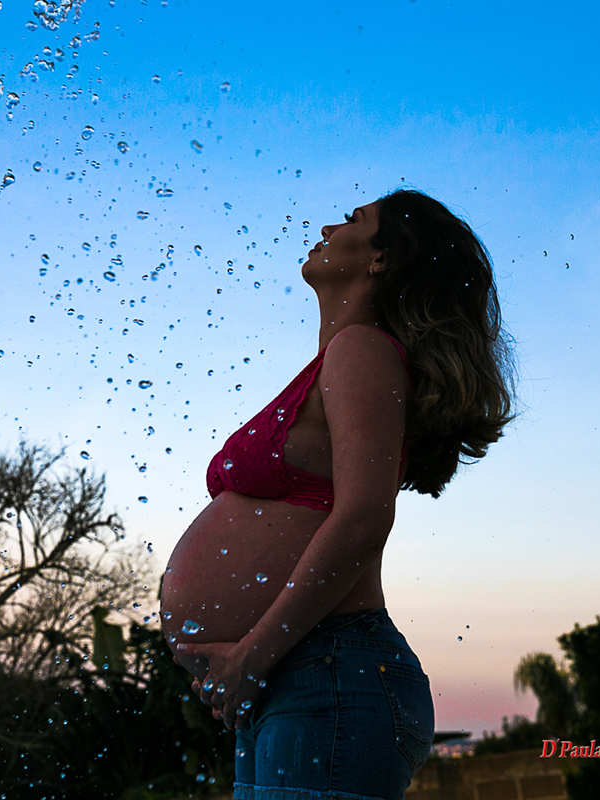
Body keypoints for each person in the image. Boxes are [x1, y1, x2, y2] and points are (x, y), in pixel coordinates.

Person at [161, 189, 516, 800]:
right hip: (299, 678)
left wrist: (251, 655)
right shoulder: (338, 359)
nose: (328, 224)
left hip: (324, 675)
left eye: (354, 220)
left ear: (382, 258)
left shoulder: (362, 350)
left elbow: (363, 517)